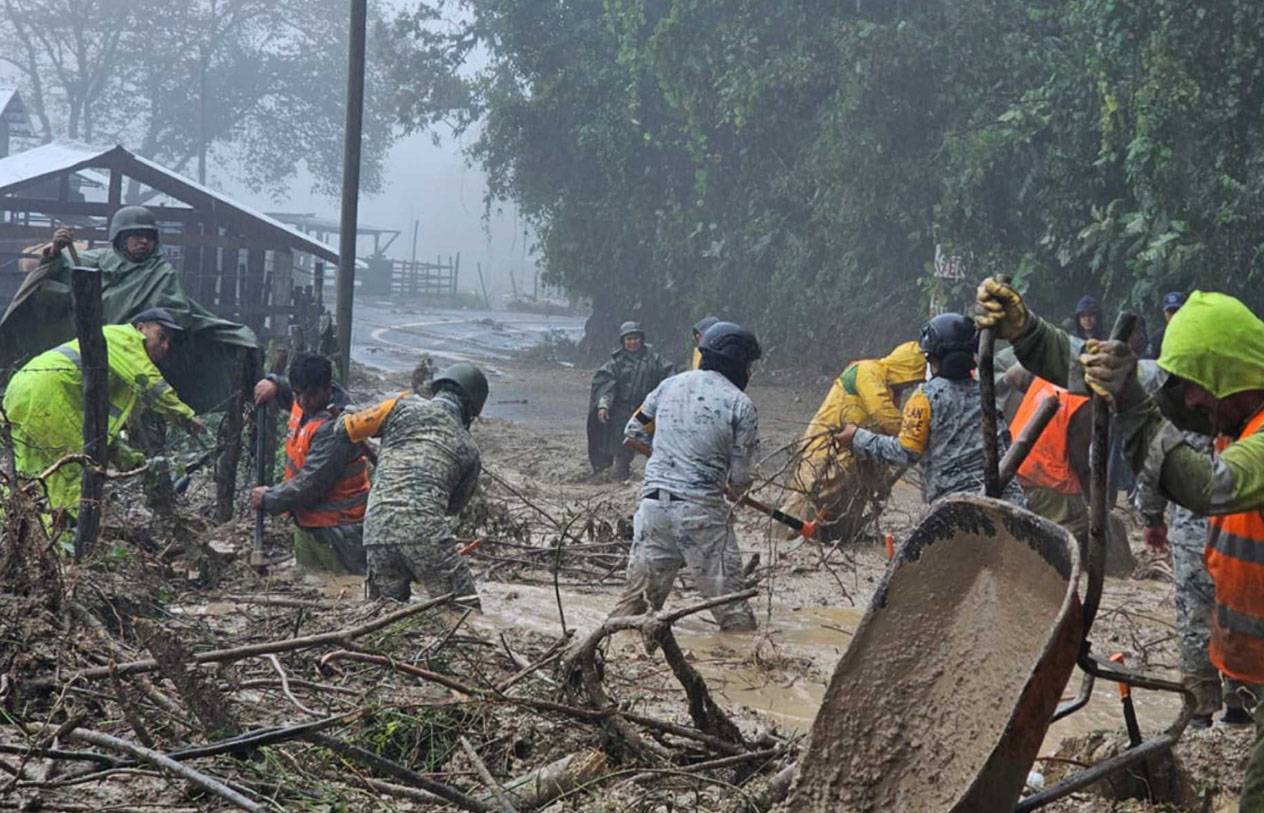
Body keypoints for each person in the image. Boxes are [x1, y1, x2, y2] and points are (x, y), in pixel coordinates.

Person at [976, 280, 1264, 808]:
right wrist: (1028, 331)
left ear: (1228, 376)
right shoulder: (1235, 405)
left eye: (1197, 388)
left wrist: (1133, 404)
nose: (1191, 401)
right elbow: (1098, 368)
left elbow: (1205, 486)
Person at [1, 208, 257, 414]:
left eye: (149, 236)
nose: (144, 241)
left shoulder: (161, 272)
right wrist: (56, 251)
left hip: (139, 357)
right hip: (93, 353)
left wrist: (144, 324)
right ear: (121, 238)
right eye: (137, 235)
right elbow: (55, 272)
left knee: (140, 420)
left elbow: (176, 312)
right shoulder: (97, 261)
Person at [609, 321, 762, 631]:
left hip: (653, 510)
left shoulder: (669, 386)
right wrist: (730, 486)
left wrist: (670, 458)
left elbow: (633, 432)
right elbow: (742, 479)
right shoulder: (740, 405)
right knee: (736, 621)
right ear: (738, 365)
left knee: (632, 612)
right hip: (701, 515)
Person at [3, 308, 201, 517]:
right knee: (70, 472)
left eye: (168, 342)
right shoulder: (127, 340)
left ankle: (12, 531)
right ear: (141, 328)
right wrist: (186, 416)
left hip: (25, 392)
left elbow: (94, 421)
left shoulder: (121, 365)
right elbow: (153, 385)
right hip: (47, 397)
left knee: (28, 473)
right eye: (161, 337)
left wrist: (124, 455)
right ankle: (64, 540)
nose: (165, 346)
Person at [836, 313, 1025, 506]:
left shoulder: (925, 397)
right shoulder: (987, 395)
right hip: (1010, 499)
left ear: (933, 359)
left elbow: (905, 453)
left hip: (956, 507)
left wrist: (857, 437)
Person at [338, 362, 488, 605]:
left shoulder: (398, 407)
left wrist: (347, 411)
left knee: (382, 617)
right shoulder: (469, 449)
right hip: (427, 536)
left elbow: (343, 430)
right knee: (464, 613)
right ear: (471, 409)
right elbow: (453, 507)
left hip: (376, 532)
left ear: (437, 389)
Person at [781, 341, 926, 540]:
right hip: (826, 447)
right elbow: (884, 416)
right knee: (813, 491)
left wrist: (882, 478)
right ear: (908, 369)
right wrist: (916, 438)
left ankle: (835, 536)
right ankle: (784, 535)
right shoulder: (868, 370)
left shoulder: (892, 392)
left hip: (853, 454)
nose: (911, 385)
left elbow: (883, 436)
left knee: (846, 501)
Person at [250, 353, 369, 575]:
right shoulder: (305, 400)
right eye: (298, 394)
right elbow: (290, 392)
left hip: (340, 532)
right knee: (311, 581)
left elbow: (310, 484)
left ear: (327, 388)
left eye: (311, 395)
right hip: (310, 523)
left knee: (344, 588)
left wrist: (269, 498)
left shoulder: (337, 427)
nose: (304, 401)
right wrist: (274, 383)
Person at [588, 321, 675, 480]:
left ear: (641, 339)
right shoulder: (615, 363)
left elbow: (670, 380)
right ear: (623, 341)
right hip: (623, 412)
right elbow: (606, 386)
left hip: (646, 411)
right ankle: (619, 480)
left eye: (635, 338)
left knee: (654, 446)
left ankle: (654, 478)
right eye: (628, 339)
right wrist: (603, 406)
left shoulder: (655, 360)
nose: (633, 342)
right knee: (621, 449)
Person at [1146, 291, 1187, 360]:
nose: (1174, 315)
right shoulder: (1158, 337)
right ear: (1165, 313)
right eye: (1170, 312)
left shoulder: (1196, 333)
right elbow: (1147, 361)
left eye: (1177, 310)